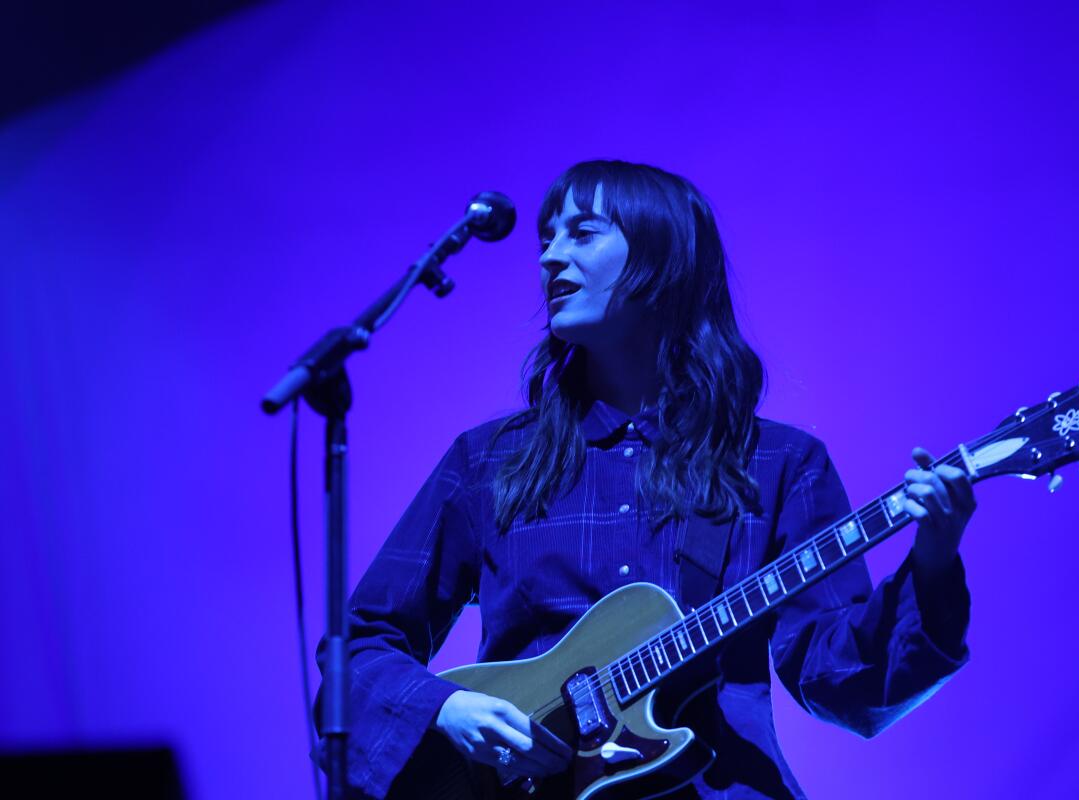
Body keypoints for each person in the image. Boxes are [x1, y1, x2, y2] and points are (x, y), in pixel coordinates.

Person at [312, 159, 976, 799]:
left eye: (582, 233)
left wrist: (933, 561)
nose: (549, 258)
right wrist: (448, 708)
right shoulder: (487, 462)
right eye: (546, 239)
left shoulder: (778, 464)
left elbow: (841, 684)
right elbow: (359, 649)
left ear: (660, 262)